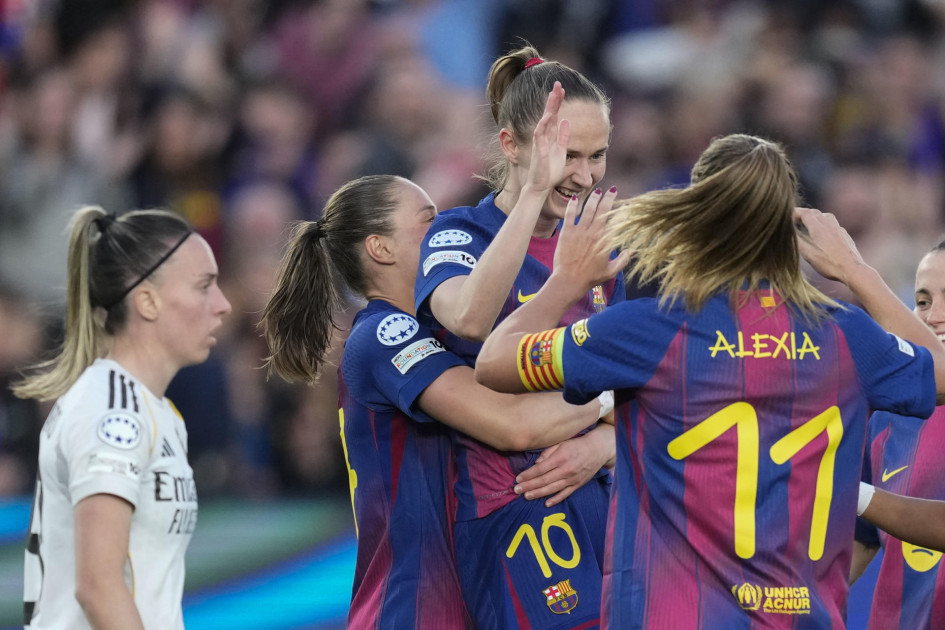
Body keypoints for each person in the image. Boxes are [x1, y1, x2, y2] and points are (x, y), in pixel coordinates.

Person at [474, 133, 945, 628]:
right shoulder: (847, 335)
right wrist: (857, 271)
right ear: (788, 226)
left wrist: (567, 278)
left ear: (698, 214)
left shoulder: (649, 328)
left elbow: (494, 361)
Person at [259, 173, 612, 628]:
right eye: (430, 221)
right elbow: (512, 424)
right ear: (380, 248)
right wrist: (608, 392)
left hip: (470, 592)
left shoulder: (449, 331)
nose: (450, 232)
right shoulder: (383, 335)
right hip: (412, 606)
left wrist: (605, 442)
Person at [413, 45, 624, 630]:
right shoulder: (460, 232)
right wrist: (533, 196)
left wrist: (605, 446)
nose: (584, 176)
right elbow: (470, 321)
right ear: (512, 146)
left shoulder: (604, 243)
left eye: (598, 156)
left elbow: (648, 385)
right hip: (511, 506)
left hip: (601, 496)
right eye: (565, 155)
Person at [15, 206, 232, 630]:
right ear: (147, 301)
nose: (222, 305)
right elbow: (98, 585)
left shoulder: (157, 412)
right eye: (204, 286)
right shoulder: (111, 410)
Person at [851, 240, 945, 628]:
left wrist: (852, 269)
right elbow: (861, 538)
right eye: (922, 301)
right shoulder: (888, 416)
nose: (934, 315)